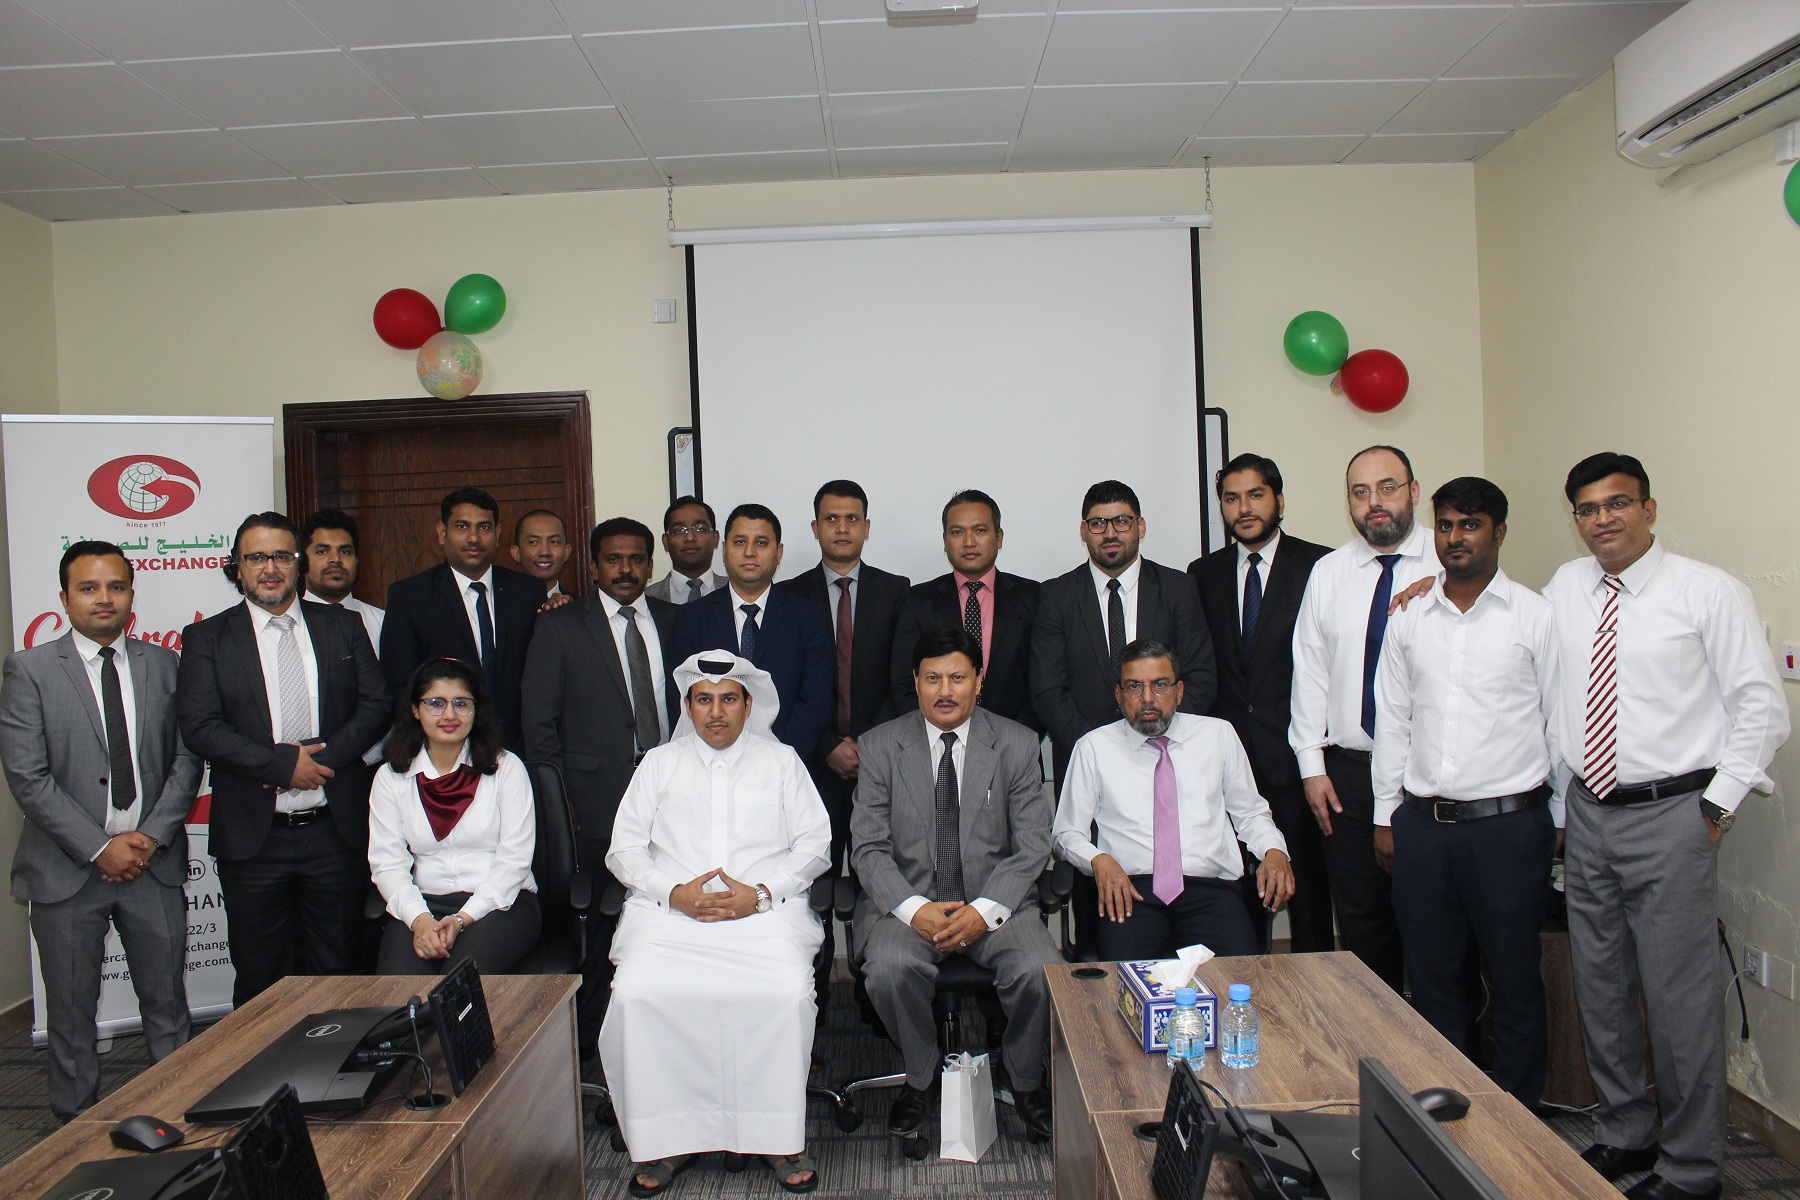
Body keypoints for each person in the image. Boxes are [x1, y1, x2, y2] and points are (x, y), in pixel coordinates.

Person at [1546, 453, 1787, 1200]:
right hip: (1589, 812)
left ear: (1649, 509)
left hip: (1675, 814)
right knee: (1601, 987)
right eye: (1588, 508)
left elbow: (1761, 707)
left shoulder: (1708, 592)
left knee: (1680, 1002)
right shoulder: (1566, 587)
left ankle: (1692, 1166)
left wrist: (1715, 809)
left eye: (1618, 503)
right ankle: (1625, 1130)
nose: (1603, 519)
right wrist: (1427, 589)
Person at [602, 652, 830, 1197]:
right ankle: (667, 1140)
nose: (716, 711)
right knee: (636, 994)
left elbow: (816, 844)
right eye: (704, 699)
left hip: (763, 917)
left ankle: (776, 1138)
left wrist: (762, 892)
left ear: (749, 706)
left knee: (785, 994)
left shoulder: (782, 762)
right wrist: (672, 892)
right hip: (671, 918)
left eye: (729, 698)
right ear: (688, 707)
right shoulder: (658, 763)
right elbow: (624, 849)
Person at [1371, 477, 1561, 1111]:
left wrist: (1560, 815)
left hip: (1508, 829)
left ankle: (1518, 1117)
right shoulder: (1409, 617)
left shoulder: (1535, 616)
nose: (1456, 537)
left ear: (1499, 533)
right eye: (1447, 525)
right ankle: (1443, 1108)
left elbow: (1560, 722)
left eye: (1471, 524)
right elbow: (1393, 722)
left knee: (1513, 977)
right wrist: (1386, 816)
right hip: (1424, 827)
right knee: (1432, 979)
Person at [0, 541, 202, 1120]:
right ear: (65, 599)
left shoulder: (165, 666)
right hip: (65, 872)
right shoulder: (30, 670)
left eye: (116, 586)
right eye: (88, 588)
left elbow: (187, 758)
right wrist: (98, 847)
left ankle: (179, 1115)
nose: (104, 598)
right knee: (70, 1016)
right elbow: (28, 776)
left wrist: (151, 837)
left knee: (169, 1007)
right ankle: (74, 1130)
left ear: (132, 594)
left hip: (151, 866)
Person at [851, 626, 1059, 1142]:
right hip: (909, 904)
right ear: (915, 682)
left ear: (979, 681)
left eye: (958, 678)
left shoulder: (1016, 743)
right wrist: (914, 909)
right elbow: (869, 849)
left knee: (1041, 971)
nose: (945, 691)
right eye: (933, 679)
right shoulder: (880, 746)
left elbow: (1032, 844)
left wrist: (983, 911)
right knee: (889, 970)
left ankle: (1025, 1079)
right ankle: (920, 1076)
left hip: (996, 903)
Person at [176, 512, 389, 1004]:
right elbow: (201, 727)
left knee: (340, 970)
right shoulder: (207, 638)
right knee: (260, 978)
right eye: (256, 557)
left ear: (298, 563)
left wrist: (318, 764)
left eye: (280, 556)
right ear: (236, 567)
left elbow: (376, 705)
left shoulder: (343, 625)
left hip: (334, 832)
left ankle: (340, 1055)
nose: (269, 568)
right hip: (253, 839)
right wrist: (282, 766)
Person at [1030, 479, 1216, 957]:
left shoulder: (1178, 589)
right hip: (1089, 767)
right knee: (1100, 914)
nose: (1110, 532)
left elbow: (1199, 677)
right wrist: (1106, 752)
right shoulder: (1056, 596)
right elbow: (1048, 689)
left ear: (1141, 527)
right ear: (1083, 532)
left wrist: (1157, 739)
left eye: (1121, 521)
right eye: (1098, 523)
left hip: (1170, 761)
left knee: (1184, 904)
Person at [521, 516, 676, 1066]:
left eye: (636, 559)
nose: (625, 569)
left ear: (651, 566)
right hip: (591, 802)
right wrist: (559, 806)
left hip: (671, 798)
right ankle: (591, 1039)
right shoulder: (561, 626)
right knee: (598, 921)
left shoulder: (676, 621)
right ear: (592, 566)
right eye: (613, 559)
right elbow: (539, 727)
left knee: (664, 913)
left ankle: (661, 1032)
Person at [1288, 445, 1438, 994]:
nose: (1375, 502)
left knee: (1435, 932)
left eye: (1387, 487)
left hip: (1429, 780)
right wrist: (1312, 767)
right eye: (1360, 492)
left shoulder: (1450, 563)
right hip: (1347, 777)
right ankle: (1375, 1043)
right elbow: (1310, 673)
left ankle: (1443, 1045)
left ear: (1413, 491)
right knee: (1363, 931)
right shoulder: (1329, 572)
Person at [1054, 638, 1293, 961]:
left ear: (1179, 691)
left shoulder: (1218, 735)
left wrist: (1274, 851)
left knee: (1239, 979)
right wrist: (1099, 860)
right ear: (1119, 695)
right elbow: (1067, 833)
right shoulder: (1093, 748)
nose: (1147, 698)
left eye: (1160, 685)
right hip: (1131, 893)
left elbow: (1251, 814)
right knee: (1129, 986)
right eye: (1134, 686)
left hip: (1211, 892)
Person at [1189, 454, 1332, 953]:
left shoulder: (1321, 566)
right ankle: (1247, 992)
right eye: (1232, 498)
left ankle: (1314, 997)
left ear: (1279, 500)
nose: (1244, 508)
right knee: (1239, 902)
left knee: (1310, 897)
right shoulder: (1202, 574)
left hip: (1297, 760)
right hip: (1229, 764)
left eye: (1255, 495)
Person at [778, 480, 910, 1006]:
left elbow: (902, 681)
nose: (841, 528)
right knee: (812, 885)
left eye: (852, 518)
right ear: (815, 528)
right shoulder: (789, 595)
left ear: (867, 527)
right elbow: (787, 686)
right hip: (813, 767)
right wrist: (828, 743)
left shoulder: (896, 591)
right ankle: (816, 999)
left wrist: (867, 747)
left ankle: (876, 996)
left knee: (882, 879)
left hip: (881, 766)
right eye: (831, 519)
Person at [369, 657, 539, 975]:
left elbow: (514, 860)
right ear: (415, 710)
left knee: (458, 986)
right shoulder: (391, 777)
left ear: (476, 710)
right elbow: (387, 864)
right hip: (423, 905)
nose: (450, 715)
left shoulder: (506, 768)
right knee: (396, 993)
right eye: (436, 703)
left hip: (499, 903)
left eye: (461, 703)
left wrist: (462, 919)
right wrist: (420, 920)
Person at [381, 488, 546, 749]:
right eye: (462, 526)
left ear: (498, 533)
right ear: (441, 532)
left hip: (520, 749)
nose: (474, 537)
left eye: (484, 527)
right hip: (445, 750)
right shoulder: (410, 597)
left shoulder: (529, 592)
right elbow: (400, 687)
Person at [670, 503, 833, 759]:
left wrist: (777, 759)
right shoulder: (692, 618)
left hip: (786, 762)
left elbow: (815, 702)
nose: (749, 552)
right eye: (739, 542)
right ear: (724, 549)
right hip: (709, 763)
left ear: (778, 552)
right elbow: (683, 700)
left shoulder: (807, 617)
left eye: (761, 543)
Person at [890, 489, 1042, 732]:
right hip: (935, 743)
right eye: (957, 532)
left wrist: (1014, 741)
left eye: (980, 530)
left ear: (999, 537)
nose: (969, 542)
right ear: (945, 541)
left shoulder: (1034, 598)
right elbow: (905, 682)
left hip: (1015, 743)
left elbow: (1045, 683)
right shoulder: (917, 601)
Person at [300, 508, 384, 653]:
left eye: (345, 552)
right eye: (322, 551)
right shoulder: (289, 626)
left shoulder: (382, 623)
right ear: (302, 560)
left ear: (356, 560)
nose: (336, 559)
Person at [646, 496, 726, 605]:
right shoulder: (646, 598)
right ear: (666, 542)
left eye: (700, 529)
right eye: (679, 530)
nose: (690, 538)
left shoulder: (737, 592)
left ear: (715, 538)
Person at [510, 508, 574, 599]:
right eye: (533, 542)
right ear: (517, 553)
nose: (544, 552)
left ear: (566, 552)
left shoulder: (581, 606)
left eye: (554, 542)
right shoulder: (497, 604)